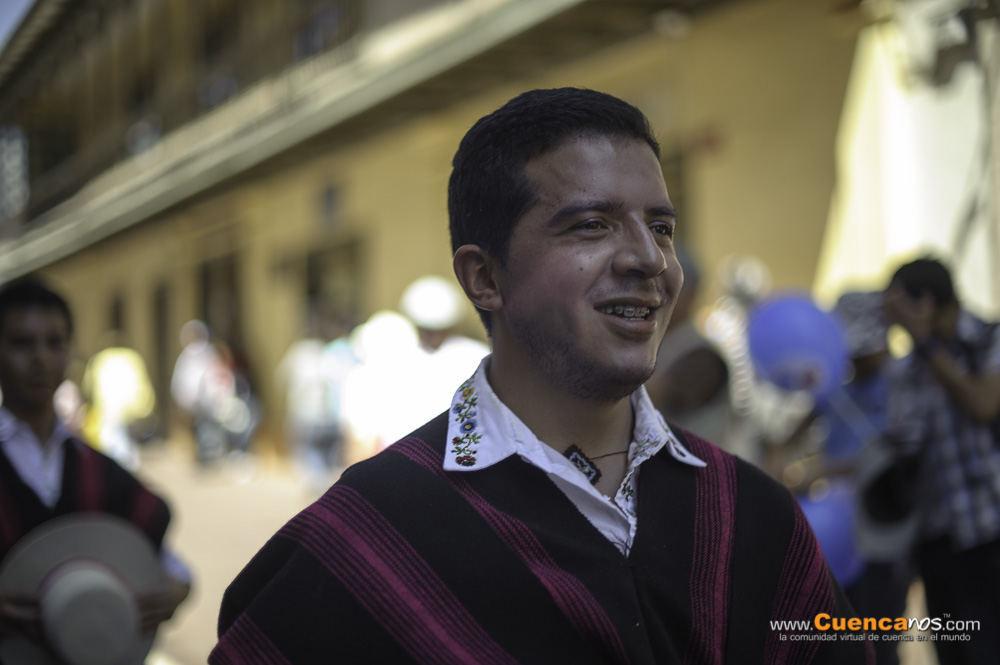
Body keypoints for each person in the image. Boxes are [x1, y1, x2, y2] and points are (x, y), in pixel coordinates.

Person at [212, 88, 868, 663]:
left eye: (661, 227)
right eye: (592, 225)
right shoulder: (371, 537)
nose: (649, 259)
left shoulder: (747, 513)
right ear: (485, 277)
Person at [0, 279, 189, 646]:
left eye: (55, 342)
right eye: (22, 343)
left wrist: (178, 588)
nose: (41, 358)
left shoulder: (97, 469)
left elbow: (171, 564)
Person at [882, 257, 1000, 664]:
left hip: (988, 531)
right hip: (935, 541)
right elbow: (903, 443)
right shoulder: (908, 366)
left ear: (937, 305)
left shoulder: (988, 339)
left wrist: (926, 342)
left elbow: (982, 405)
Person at [644, 245, 731, 447]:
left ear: (690, 294)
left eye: (665, 286)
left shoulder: (703, 355)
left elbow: (651, 393)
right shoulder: (655, 340)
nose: (655, 294)